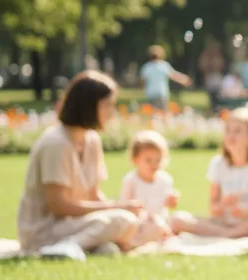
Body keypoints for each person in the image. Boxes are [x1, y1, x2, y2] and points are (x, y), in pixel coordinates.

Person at [16, 71, 166, 260]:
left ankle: (80, 246)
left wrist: (124, 209)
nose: (112, 112)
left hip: (75, 225)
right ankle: (65, 247)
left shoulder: (91, 140)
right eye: (107, 105)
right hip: (44, 230)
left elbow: (94, 195)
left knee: (127, 224)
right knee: (121, 221)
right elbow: (58, 206)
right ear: (88, 106)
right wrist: (117, 208)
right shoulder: (56, 144)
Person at [171, 107, 248, 238]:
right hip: (223, 223)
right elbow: (213, 208)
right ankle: (229, 233)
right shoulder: (218, 164)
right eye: (228, 130)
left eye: (238, 131)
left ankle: (229, 234)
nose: (231, 135)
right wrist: (223, 204)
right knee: (178, 219)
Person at [118, 130, 179, 238]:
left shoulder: (165, 180)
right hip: (138, 225)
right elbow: (124, 208)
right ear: (135, 159)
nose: (154, 164)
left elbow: (165, 207)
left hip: (159, 221)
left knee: (175, 220)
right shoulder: (131, 181)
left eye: (158, 160)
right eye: (148, 160)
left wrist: (171, 202)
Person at [140, 45, 192, 111]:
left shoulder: (146, 67)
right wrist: (184, 79)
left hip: (151, 92)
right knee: (162, 111)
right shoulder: (163, 65)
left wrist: (143, 88)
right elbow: (174, 75)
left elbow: (142, 80)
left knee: (152, 111)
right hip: (162, 92)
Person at [198, 39, 227, 112]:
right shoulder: (206, 56)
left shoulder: (219, 56)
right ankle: (212, 107)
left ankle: (217, 107)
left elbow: (221, 66)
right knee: (210, 94)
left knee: (218, 94)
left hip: (216, 77)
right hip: (209, 77)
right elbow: (202, 66)